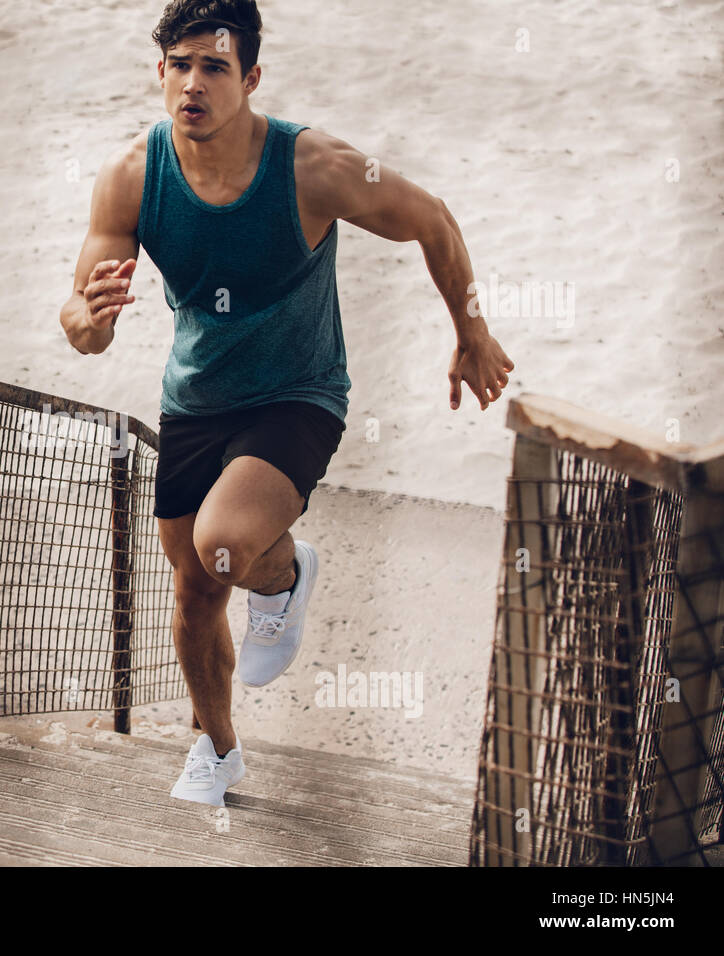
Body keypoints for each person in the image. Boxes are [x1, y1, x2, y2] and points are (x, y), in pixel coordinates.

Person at [58, 0, 514, 807]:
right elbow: (82, 326)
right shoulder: (132, 174)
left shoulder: (313, 167)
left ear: (252, 77)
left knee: (222, 543)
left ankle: (277, 576)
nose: (193, 84)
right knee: (194, 591)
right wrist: (84, 322)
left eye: (215, 66)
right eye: (179, 64)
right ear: (158, 70)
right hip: (196, 398)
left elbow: (432, 219)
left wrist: (471, 334)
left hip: (299, 394)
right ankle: (218, 749)